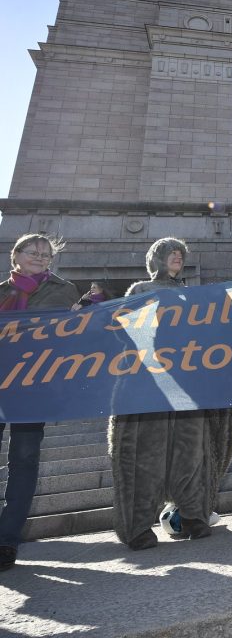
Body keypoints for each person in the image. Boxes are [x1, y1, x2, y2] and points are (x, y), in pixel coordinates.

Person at [109, 238, 232, 549]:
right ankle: (138, 526)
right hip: (149, 385)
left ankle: (195, 515)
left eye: (181, 253)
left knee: (192, 452)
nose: (177, 256)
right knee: (146, 455)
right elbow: (123, 332)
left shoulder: (192, 295)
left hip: (189, 384)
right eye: (170, 253)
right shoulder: (141, 290)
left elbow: (212, 332)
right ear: (157, 259)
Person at [0, 234, 80, 571]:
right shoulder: (2, 291)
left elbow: (74, 335)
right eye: (33, 252)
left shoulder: (64, 291)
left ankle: (6, 540)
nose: (40, 257)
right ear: (15, 255)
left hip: (33, 387)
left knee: (25, 458)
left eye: (47, 254)